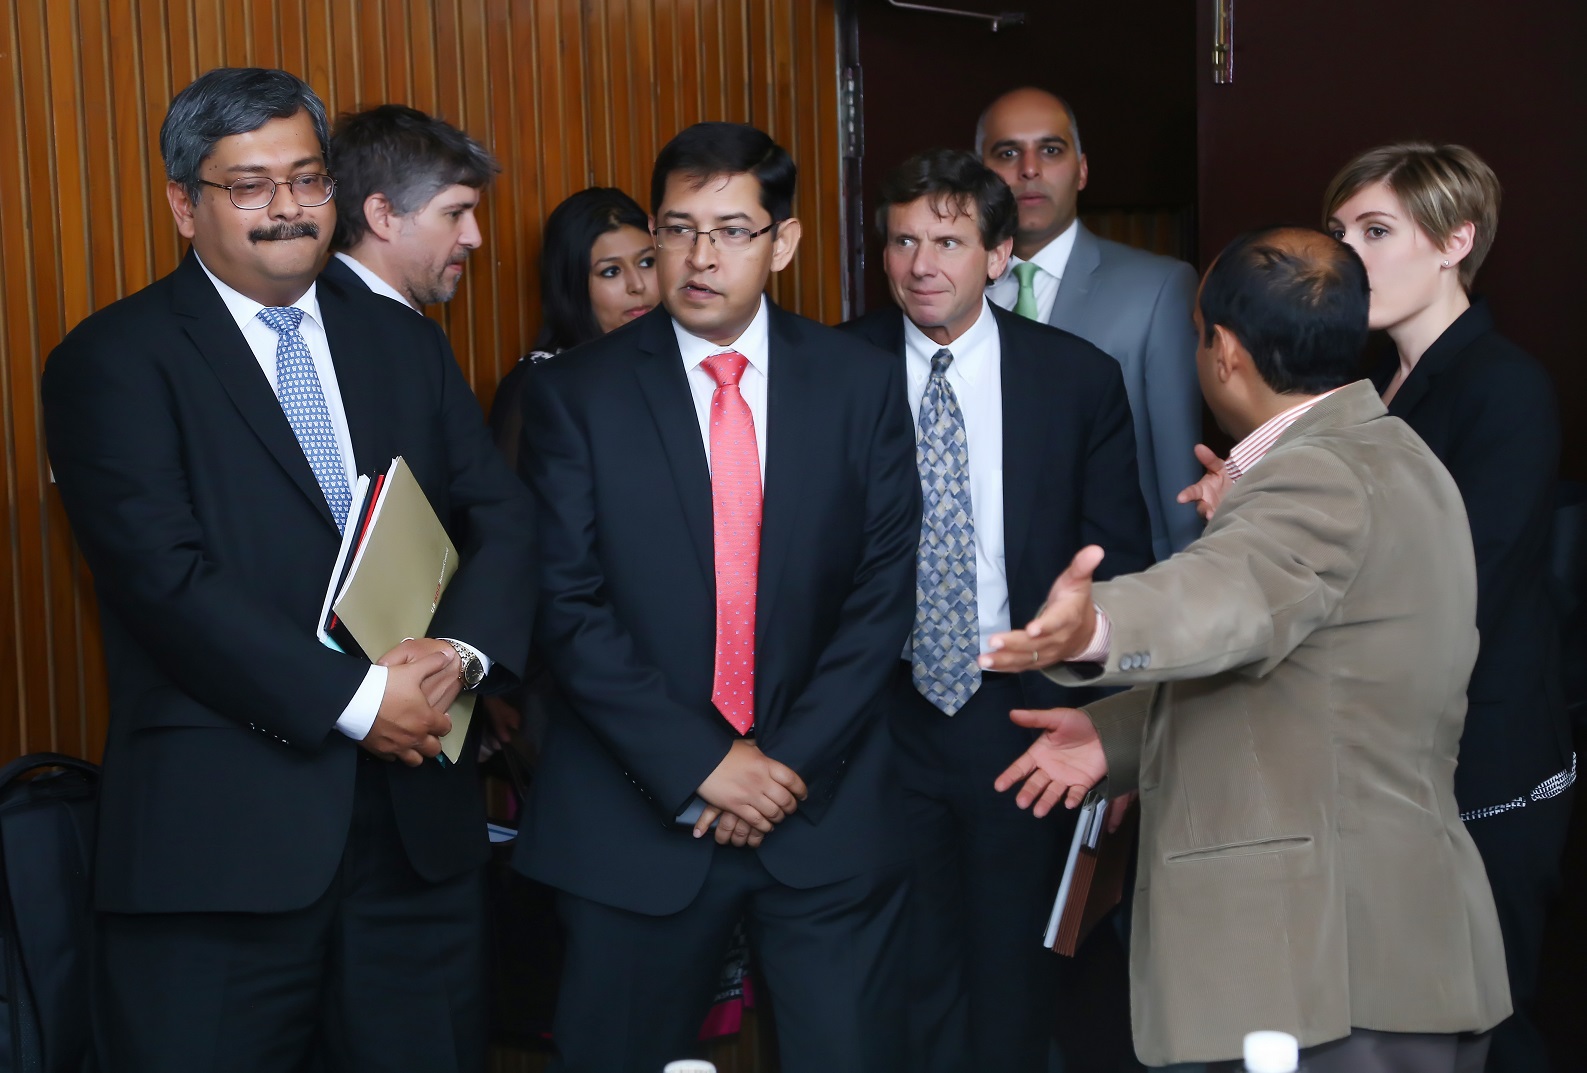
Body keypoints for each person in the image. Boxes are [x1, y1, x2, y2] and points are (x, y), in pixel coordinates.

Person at [40, 68, 534, 1071]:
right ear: (185, 203)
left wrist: (461, 656)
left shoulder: (402, 339)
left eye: (307, 179)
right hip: (220, 853)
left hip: (416, 845)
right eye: (249, 185)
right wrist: (360, 700)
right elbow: (164, 581)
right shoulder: (114, 360)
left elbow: (503, 515)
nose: (288, 208)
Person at [983, 228, 1511, 1072]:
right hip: (1375, 950)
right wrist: (1117, 736)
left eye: (1198, 334)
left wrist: (1096, 628)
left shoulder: (1318, 475)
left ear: (1223, 350)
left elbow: (1223, 597)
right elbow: (1317, 674)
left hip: (1323, 966)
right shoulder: (1389, 452)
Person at [513, 121, 920, 1073]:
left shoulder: (859, 383)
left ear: (783, 242)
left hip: (821, 813)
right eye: (678, 228)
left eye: (732, 230)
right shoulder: (576, 394)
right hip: (632, 819)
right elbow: (567, 603)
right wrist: (703, 762)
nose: (700, 257)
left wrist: (775, 770)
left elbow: (879, 597)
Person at [839, 148, 1152, 1072]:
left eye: (947, 242)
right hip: (876, 712)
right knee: (899, 975)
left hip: (1022, 713)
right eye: (902, 242)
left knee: (1015, 977)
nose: (920, 265)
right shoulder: (832, 367)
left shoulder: (1075, 378)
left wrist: (1115, 735)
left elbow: (1119, 563)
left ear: (999, 255)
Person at [1324, 143, 1572, 1073]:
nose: (1347, 256)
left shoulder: (1503, 385)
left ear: (1453, 241)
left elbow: (1460, 587)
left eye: (1374, 231)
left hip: (1484, 764)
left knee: (1486, 1026)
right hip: (1390, 759)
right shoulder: (1361, 382)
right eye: (1338, 233)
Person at [978, 87, 1202, 561]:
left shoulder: (1157, 289)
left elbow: (1179, 474)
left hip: (1114, 579)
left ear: (1081, 170)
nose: (1030, 169)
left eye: (1050, 150)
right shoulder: (948, 293)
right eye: (1008, 153)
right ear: (980, 174)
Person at [487, 186, 659, 471]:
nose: (637, 285)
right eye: (611, 271)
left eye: (647, 262)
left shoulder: (678, 362)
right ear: (573, 285)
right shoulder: (540, 380)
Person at [322, 103, 498, 310]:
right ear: (383, 216)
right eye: (454, 214)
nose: (474, 239)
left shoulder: (354, 312)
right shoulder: (330, 323)